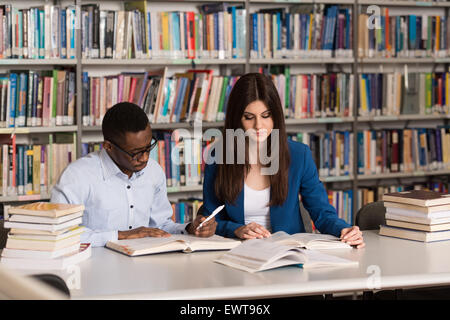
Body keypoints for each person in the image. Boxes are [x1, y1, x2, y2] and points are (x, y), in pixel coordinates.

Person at [202, 73, 364, 248]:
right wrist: (237, 229)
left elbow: (322, 212)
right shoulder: (218, 156)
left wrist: (344, 230)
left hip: (288, 251)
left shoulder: (299, 155)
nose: (258, 126)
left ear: (276, 116)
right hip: (237, 250)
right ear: (236, 120)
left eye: (266, 116)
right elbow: (211, 219)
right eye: (249, 117)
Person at [51, 102, 216, 247]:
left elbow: (161, 226)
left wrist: (189, 228)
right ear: (108, 146)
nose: (144, 158)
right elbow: (60, 233)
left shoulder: (154, 171)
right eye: (135, 153)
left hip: (142, 268)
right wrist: (120, 236)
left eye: (148, 148)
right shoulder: (77, 176)